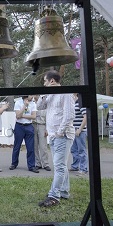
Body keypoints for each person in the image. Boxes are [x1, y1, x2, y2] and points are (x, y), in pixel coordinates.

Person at [36, 70, 75, 207]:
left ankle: (54, 196)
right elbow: (39, 106)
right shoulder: (50, 94)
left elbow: (69, 115)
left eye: (45, 81)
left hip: (62, 135)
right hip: (53, 135)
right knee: (61, 165)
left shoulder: (65, 93)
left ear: (52, 81)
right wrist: (44, 93)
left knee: (59, 166)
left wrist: (60, 132)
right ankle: (64, 191)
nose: (44, 84)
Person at [9, 95, 39, 173]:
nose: (32, 96)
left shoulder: (33, 104)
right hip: (19, 126)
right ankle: (14, 163)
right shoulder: (18, 102)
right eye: (31, 95)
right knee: (17, 146)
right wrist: (24, 106)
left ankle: (31, 166)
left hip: (29, 126)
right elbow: (18, 116)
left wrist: (23, 115)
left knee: (30, 147)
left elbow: (34, 116)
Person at [69, 93, 88, 175]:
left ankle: (84, 168)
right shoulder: (74, 104)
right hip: (73, 130)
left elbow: (86, 117)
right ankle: (75, 166)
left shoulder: (80, 104)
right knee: (74, 150)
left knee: (81, 150)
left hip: (80, 130)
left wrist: (80, 129)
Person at [33, 95, 51, 171]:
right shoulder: (32, 103)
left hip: (42, 125)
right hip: (33, 124)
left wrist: (47, 129)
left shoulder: (44, 103)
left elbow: (48, 117)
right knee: (34, 145)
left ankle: (45, 163)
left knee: (43, 146)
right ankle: (38, 163)